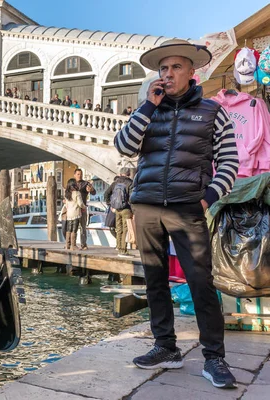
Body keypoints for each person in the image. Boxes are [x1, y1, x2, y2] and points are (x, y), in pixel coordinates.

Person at [115, 39, 239, 388]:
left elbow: (229, 160)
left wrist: (207, 198)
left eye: (176, 68)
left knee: (201, 283)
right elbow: (124, 147)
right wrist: (146, 107)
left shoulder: (213, 111)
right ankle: (165, 348)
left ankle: (215, 358)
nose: (168, 75)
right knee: (154, 281)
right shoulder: (147, 109)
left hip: (188, 208)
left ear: (191, 72)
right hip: (147, 204)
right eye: (163, 69)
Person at [104, 168, 133, 257]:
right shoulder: (130, 183)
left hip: (117, 209)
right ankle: (123, 250)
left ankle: (119, 247)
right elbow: (132, 198)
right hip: (126, 209)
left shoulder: (115, 183)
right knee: (125, 229)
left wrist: (111, 205)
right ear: (128, 174)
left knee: (119, 229)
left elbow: (106, 194)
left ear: (120, 174)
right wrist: (133, 210)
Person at [73, 169, 96, 249]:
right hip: (74, 208)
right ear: (74, 175)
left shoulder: (85, 183)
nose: (80, 176)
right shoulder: (72, 183)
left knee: (83, 227)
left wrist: (91, 189)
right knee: (74, 227)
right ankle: (73, 244)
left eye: (81, 174)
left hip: (82, 208)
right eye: (78, 174)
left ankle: (83, 244)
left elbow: (94, 192)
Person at [63, 179, 85, 251]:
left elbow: (66, 205)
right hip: (76, 213)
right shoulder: (77, 193)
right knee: (74, 230)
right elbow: (80, 204)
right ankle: (73, 246)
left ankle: (67, 245)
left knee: (68, 229)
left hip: (69, 214)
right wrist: (85, 207)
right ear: (74, 185)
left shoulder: (67, 194)